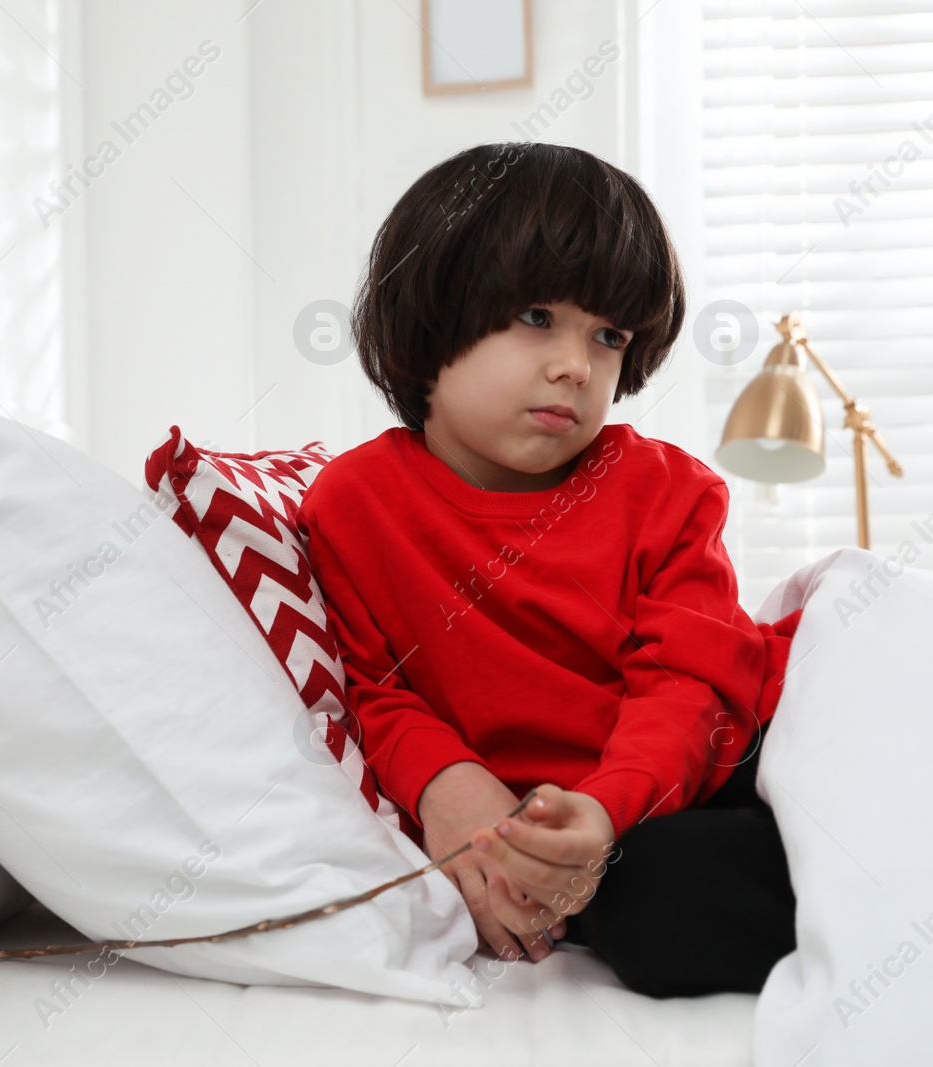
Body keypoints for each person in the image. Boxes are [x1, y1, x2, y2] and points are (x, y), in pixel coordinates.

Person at [294, 141, 802, 998]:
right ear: (434, 313)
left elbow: (691, 685)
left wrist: (606, 808)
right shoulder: (350, 505)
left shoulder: (667, 490)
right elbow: (378, 689)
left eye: (608, 335)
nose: (578, 363)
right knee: (656, 908)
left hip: (727, 751)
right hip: (596, 831)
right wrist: (446, 786)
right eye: (538, 316)